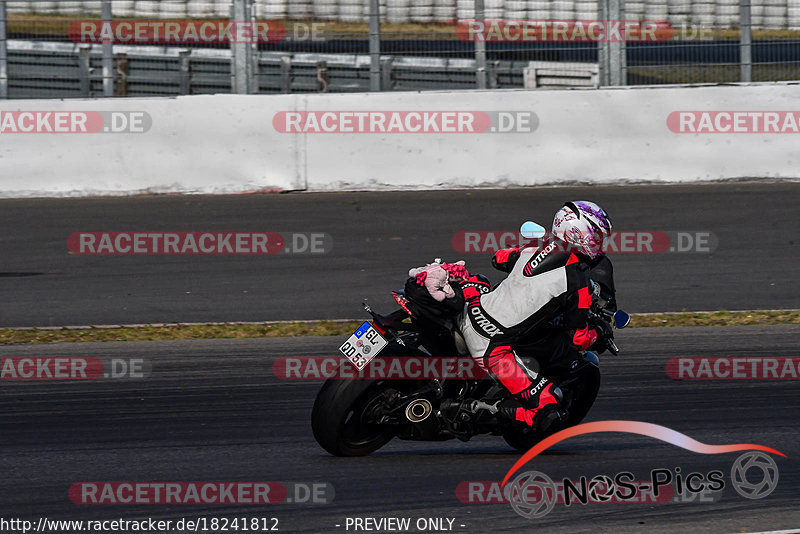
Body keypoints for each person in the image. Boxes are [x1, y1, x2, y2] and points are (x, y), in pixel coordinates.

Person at [457, 201, 614, 432]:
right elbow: (578, 339)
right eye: (596, 237)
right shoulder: (577, 283)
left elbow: (499, 258)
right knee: (549, 413)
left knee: (477, 278)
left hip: (471, 308)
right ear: (578, 232)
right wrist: (599, 333)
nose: (599, 245)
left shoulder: (536, 246)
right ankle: (480, 409)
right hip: (492, 348)